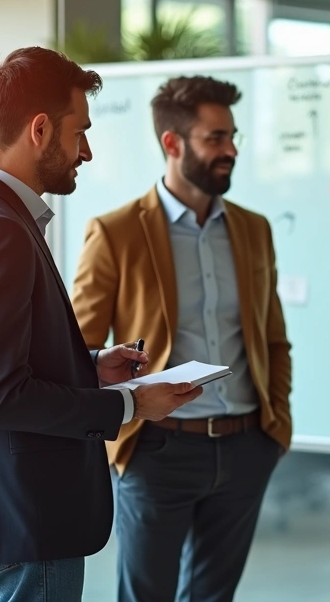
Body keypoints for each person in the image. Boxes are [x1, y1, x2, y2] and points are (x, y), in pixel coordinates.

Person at [0, 47, 202, 602]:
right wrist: (130, 405)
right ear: (38, 129)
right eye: (79, 132)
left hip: (9, 510)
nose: (87, 150)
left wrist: (91, 366)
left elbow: (1, 367)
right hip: (31, 514)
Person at [71, 75, 292, 602]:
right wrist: (121, 429)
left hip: (244, 447)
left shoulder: (253, 229)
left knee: (215, 596)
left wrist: (274, 427)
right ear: (173, 144)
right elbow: (76, 350)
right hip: (158, 449)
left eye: (232, 136)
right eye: (215, 138)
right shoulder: (117, 231)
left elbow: (273, 338)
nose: (231, 150)